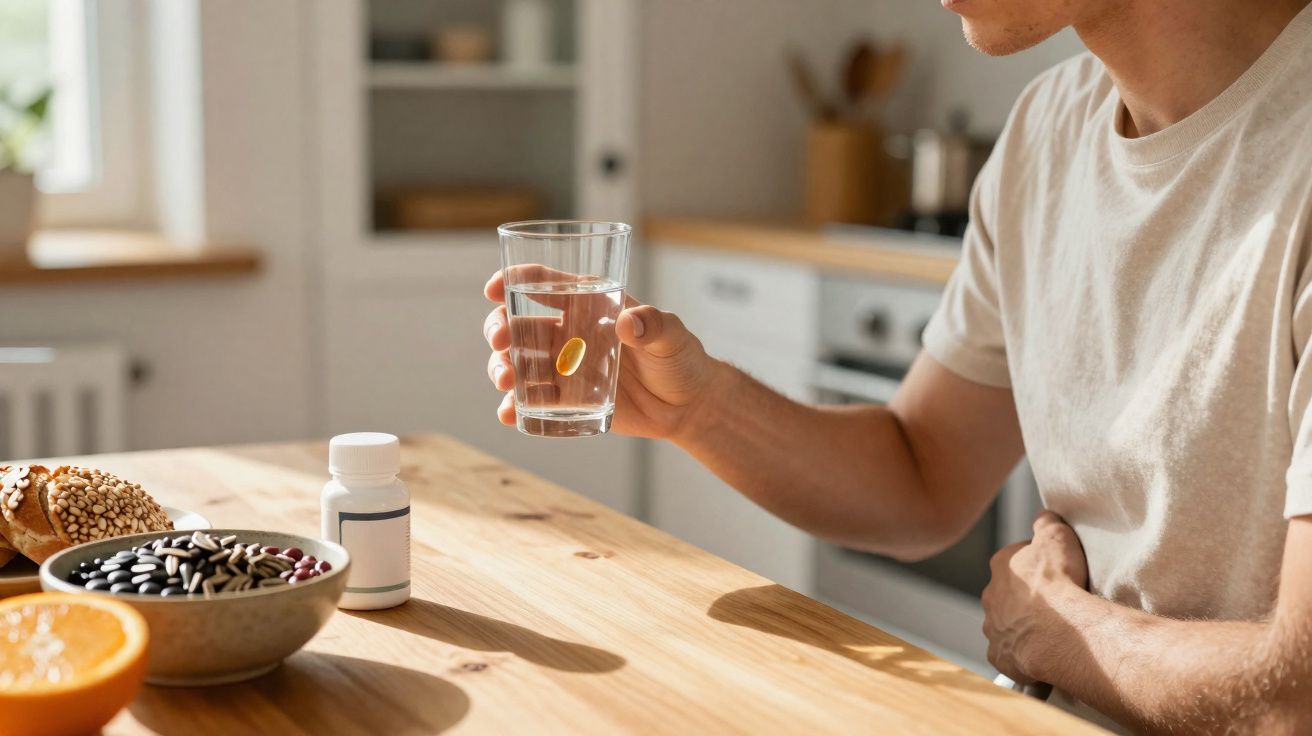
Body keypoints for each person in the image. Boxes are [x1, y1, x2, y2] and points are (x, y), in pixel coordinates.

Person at [483, 0, 1312, 730]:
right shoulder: (1046, 133)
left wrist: (1061, 635)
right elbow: (921, 475)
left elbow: (1297, 695)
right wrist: (695, 409)